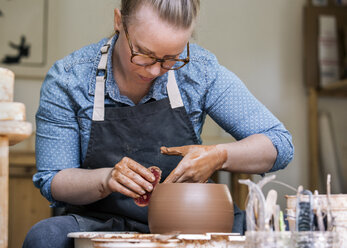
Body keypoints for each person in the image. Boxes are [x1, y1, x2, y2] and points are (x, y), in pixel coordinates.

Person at [23, 0, 294, 247]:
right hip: (101, 221)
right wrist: (106, 179)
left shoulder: (199, 70)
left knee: (265, 232)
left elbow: (279, 144)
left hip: (190, 222)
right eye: (143, 53)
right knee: (45, 237)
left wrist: (220, 155)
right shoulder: (70, 79)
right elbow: (53, 179)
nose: (155, 70)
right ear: (119, 22)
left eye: (171, 58)